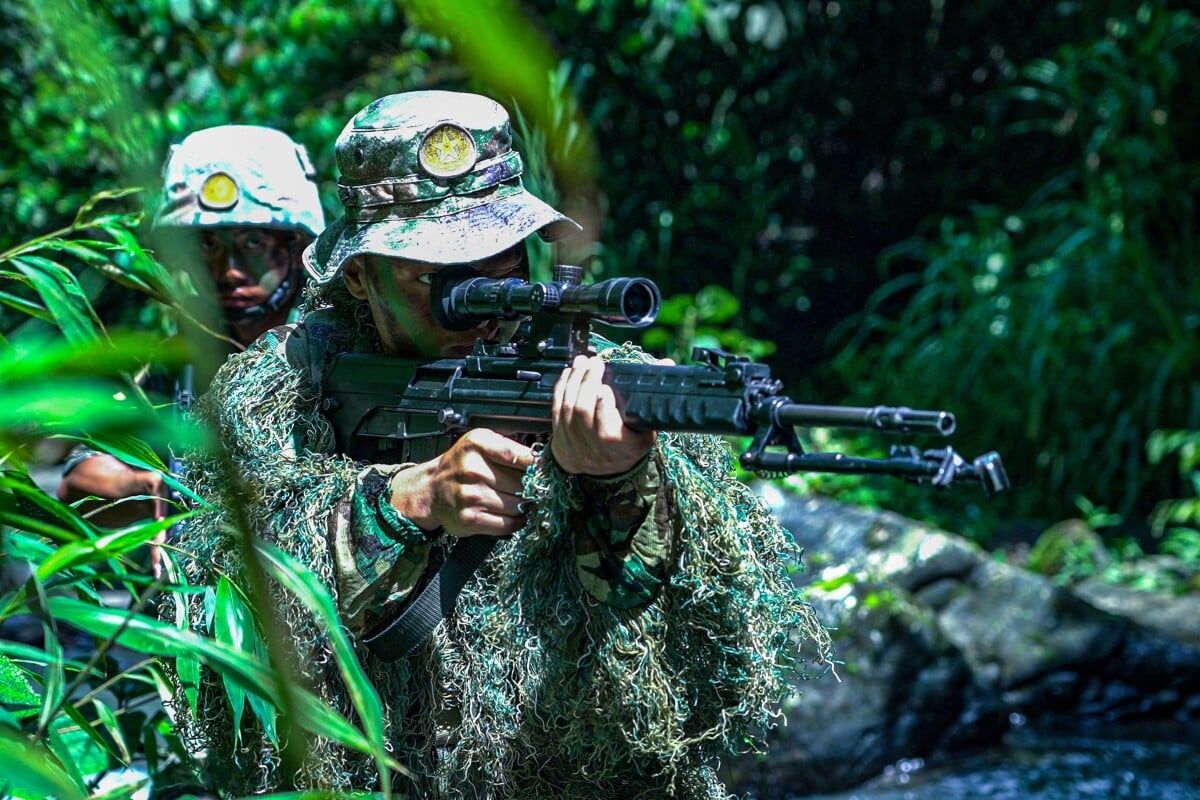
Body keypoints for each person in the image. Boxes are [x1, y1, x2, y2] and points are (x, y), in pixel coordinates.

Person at [169, 91, 830, 799]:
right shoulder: (277, 391)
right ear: (359, 275)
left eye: (504, 260)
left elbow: (688, 665)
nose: (485, 297)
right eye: (442, 278)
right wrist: (399, 504)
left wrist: (618, 483)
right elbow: (223, 609)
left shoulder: (593, 380)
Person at [58, 125, 325, 533]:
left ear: (296, 245)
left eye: (252, 243)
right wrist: (142, 487)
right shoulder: (181, 360)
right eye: (207, 246)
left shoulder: (336, 347)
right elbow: (79, 481)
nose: (228, 271)